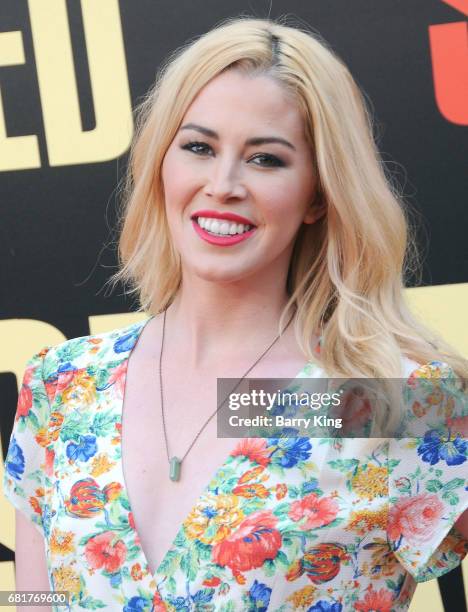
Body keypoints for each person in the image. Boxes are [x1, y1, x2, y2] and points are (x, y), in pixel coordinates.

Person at [4, 16, 467, 612]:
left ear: (319, 194)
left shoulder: (377, 402)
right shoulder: (63, 385)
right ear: (161, 163)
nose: (222, 184)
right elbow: (35, 601)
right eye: (198, 147)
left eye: (266, 160)